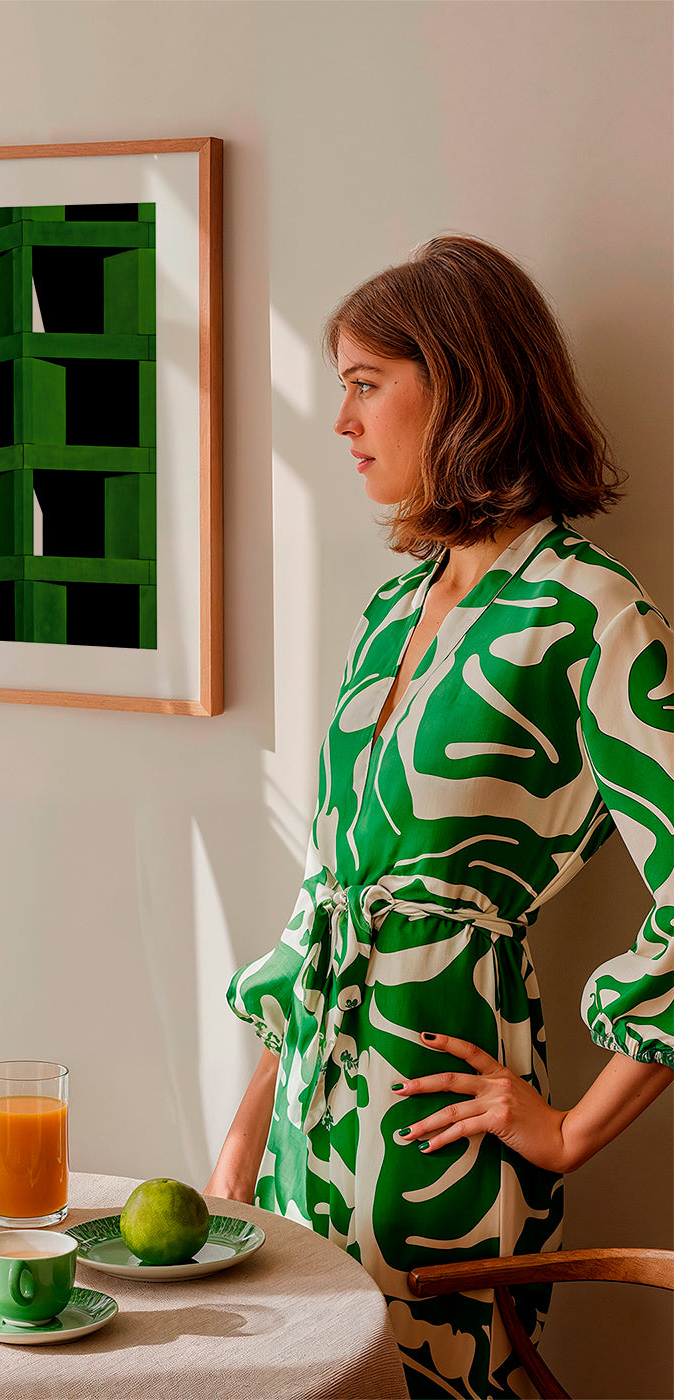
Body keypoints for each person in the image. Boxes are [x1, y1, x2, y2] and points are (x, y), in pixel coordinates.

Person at [206, 235, 673, 1399]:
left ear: (460, 386)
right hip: (304, 1128)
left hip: (438, 1138)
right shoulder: (393, 606)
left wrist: (569, 1129)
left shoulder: (588, 613)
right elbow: (329, 888)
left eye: (366, 383)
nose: (342, 420)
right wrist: (247, 1127)